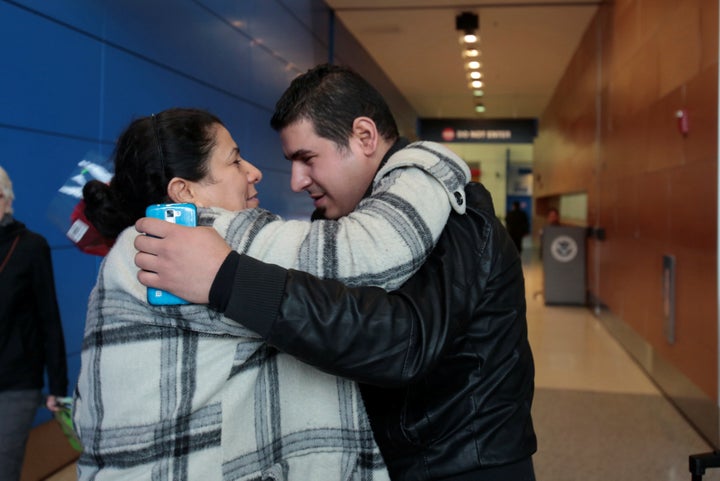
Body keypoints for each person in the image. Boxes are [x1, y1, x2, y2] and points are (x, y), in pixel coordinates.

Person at [134, 65, 537, 480]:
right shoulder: (350, 226)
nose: (295, 181)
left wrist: (229, 278)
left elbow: (403, 344)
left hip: (463, 464)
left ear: (364, 136)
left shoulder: (447, 213)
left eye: (307, 159)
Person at [73, 107, 470, 480]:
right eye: (234, 161)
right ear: (185, 193)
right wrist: (428, 162)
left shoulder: (136, 247)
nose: (254, 172)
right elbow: (378, 247)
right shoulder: (192, 236)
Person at [0, 165, 68, 481]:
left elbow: (48, 319)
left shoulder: (30, 246)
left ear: (5, 200)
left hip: (16, 383)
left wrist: (57, 386)